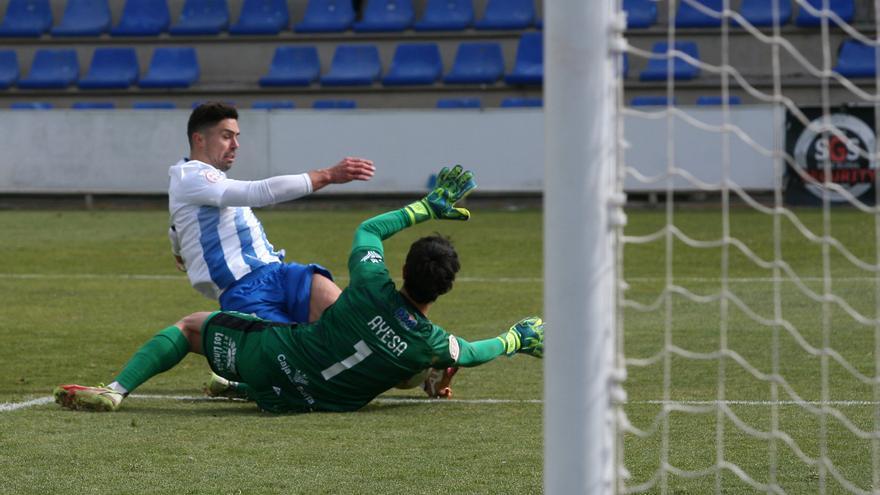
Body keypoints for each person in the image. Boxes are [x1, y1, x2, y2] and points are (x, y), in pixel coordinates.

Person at [54, 165, 545, 413]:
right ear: (444, 290)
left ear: (404, 269)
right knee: (413, 365)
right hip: (303, 400)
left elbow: (369, 231)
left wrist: (424, 207)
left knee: (190, 327)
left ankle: (117, 391)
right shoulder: (430, 340)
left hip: (274, 361)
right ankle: (241, 388)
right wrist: (518, 338)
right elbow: (475, 350)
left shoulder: (371, 284)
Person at [170, 101, 375, 325]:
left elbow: (176, 225)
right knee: (300, 354)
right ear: (199, 139)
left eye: (237, 136)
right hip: (244, 291)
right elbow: (260, 192)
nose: (236, 144)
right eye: (227, 136)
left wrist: (177, 248)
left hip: (278, 272)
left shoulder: (198, 181)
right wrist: (328, 175)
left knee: (351, 322)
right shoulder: (191, 176)